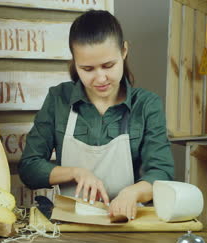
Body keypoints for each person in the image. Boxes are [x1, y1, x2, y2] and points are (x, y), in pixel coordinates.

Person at [18, 10, 174, 220]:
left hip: (131, 226)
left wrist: (132, 193)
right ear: (75, 63)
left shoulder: (146, 105)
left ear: (124, 51)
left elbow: (162, 173)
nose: (101, 78)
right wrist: (75, 173)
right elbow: (29, 167)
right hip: (73, 225)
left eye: (108, 66)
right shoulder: (59, 99)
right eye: (88, 69)